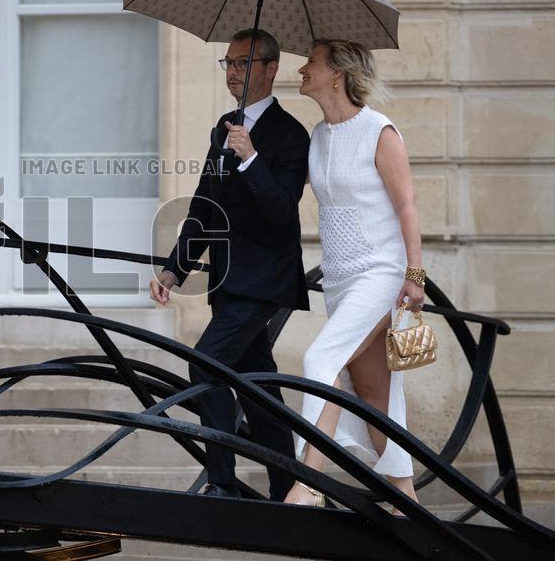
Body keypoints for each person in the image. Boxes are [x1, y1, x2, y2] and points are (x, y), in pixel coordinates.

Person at [149, 28, 311, 501]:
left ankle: (222, 484)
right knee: (261, 395)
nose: (235, 71)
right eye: (229, 63)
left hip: (263, 281)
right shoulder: (224, 126)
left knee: (205, 368)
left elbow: (282, 210)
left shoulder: (290, 135)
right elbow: (206, 204)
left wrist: (252, 158)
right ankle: (290, 493)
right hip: (228, 281)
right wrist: (174, 268)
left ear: (271, 68)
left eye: (243, 63)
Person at [284, 39, 425, 508]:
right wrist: (245, 150)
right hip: (340, 280)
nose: (302, 69)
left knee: (320, 361)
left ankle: (307, 485)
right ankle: (405, 498)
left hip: (380, 273)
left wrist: (415, 276)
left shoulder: (379, 132)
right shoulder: (319, 137)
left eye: (313, 63)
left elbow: (407, 206)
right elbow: (281, 184)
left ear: (337, 74)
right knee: (372, 391)